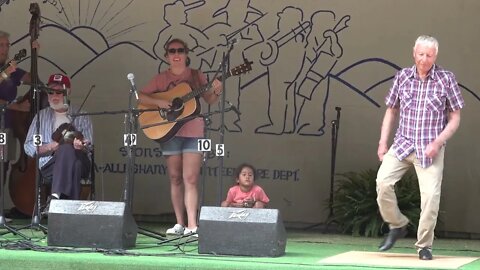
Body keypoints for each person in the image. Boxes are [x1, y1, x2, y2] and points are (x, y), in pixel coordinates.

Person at [376, 35, 464, 260]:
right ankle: (397, 224)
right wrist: (383, 142)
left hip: (430, 147)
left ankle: (424, 245)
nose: (424, 59)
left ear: (436, 56)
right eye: (421, 54)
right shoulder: (403, 76)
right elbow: (391, 110)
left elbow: (455, 118)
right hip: (403, 143)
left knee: (431, 198)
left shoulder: (446, 79)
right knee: (383, 182)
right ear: (414, 53)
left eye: (429, 55)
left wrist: (438, 141)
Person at [139, 38, 222, 237]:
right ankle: (179, 223)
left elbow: (209, 99)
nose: (176, 54)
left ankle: (193, 226)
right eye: (172, 50)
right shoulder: (161, 78)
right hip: (169, 132)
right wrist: (159, 102)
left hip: (193, 131)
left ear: (187, 53)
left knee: (191, 178)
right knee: (175, 178)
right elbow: (140, 96)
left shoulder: (195, 76)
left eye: (181, 50)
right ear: (166, 56)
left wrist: (217, 90)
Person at [24, 74, 93, 210]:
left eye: (59, 92)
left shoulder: (82, 115)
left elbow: (89, 147)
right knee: (73, 162)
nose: (54, 96)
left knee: (68, 149)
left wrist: (81, 147)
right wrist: (49, 147)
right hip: (49, 165)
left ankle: (55, 197)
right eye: (50, 92)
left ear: (68, 92)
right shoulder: (41, 116)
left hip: (80, 159)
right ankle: (70, 207)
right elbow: (29, 146)